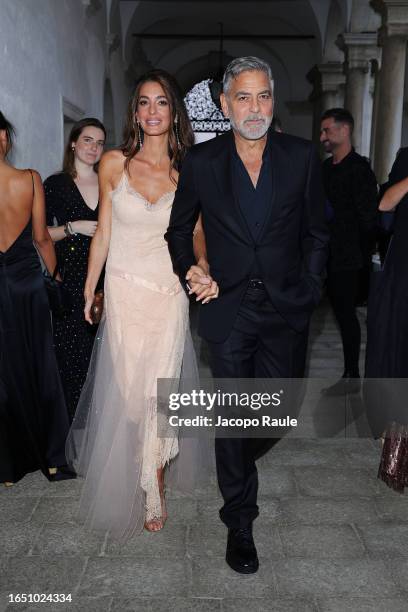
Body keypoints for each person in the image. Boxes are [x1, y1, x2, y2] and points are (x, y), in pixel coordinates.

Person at [166, 56, 328, 574]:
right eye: (243, 97)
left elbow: (318, 232)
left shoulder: (302, 157)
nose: (253, 108)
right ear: (224, 103)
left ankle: (233, 451)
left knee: (280, 406)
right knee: (236, 416)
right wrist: (192, 270)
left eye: (262, 97)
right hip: (227, 307)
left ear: (272, 102)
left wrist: (310, 286)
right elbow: (177, 231)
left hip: (286, 306)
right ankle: (239, 518)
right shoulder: (203, 162)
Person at [66, 70, 217, 538]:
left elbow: (196, 232)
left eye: (161, 103)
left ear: (174, 112)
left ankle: (153, 484)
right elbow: (104, 233)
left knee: (159, 392)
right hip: (125, 292)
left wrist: (203, 266)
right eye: (144, 103)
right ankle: (144, 464)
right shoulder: (114, 163)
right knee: (130, 397)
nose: (152, 112)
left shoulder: (188, 168)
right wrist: (91, 289)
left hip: (168, 293)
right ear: (135, 112)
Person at [0, 111, 74, 485]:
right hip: (27, 284)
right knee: (40, 366)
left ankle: (9, 468)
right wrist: (56, 276)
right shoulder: (28, 179)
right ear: (6, 140)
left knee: (4, 373)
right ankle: (53, 461)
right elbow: (43, 238)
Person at [44, 119, 106, 420]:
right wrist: (73, 227)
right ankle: (71, 438)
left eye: (99, 142)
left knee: (105, 358)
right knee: (72, 360)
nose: (93, 147)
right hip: (69, 281)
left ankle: (102, 435)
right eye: (87, 140)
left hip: (106, 279)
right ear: (73, 143)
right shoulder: (56, 184)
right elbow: (40, 236)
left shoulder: (109, 182)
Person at [320, 108, 378, 395]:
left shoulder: (360, 169)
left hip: (348, 258)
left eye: (327, 130)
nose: (323, 137)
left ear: (344, 131)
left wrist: (361, 255)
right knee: (334, 313)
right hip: (323, 256)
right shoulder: (325, 169)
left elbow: (369, 220)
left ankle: (351, 374)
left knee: (345, 315)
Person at [365, 147, 408, 491]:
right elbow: (384, 205)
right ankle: (397, 463)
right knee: (398, 363)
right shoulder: (406, 156)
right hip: (403, 277)